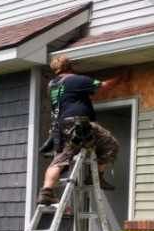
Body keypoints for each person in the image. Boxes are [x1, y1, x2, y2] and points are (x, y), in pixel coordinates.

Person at [38, 55, 123, 205]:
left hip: (60, 128)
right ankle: (95, 175)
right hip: (78, 125)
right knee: (111, 144)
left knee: (60, 160)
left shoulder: (51, 85)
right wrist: (121, 78)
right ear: (70, 67)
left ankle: (46, 192)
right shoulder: (76, 79)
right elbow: (103, 86)